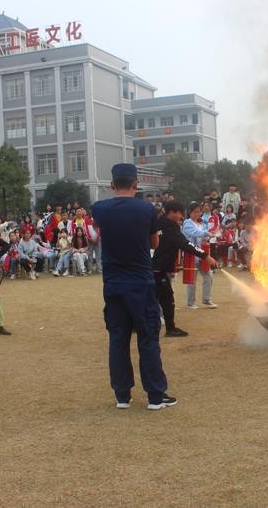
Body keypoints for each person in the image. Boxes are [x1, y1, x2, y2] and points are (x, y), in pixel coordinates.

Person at [91, 163, 175, 410]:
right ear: (136, 184)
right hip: (141, 282)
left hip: (114, 282)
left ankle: (122, 395)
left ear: (112, 184)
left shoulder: (100, 209)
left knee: (118, 338)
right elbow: (154, 242)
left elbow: (99, 232)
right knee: (148, 338)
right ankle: (155, 396)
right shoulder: (147, 209)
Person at [153, 201, 218, 337]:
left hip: (153, 267)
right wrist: (206, 256)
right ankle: (170, 329)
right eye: (179, 213)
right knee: (166, 299)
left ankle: (138, 324)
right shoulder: (170, 227)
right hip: (158, 268)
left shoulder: (158, 223)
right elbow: (186, 244)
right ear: (172, 212)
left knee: (152, 297)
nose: (181, 216)